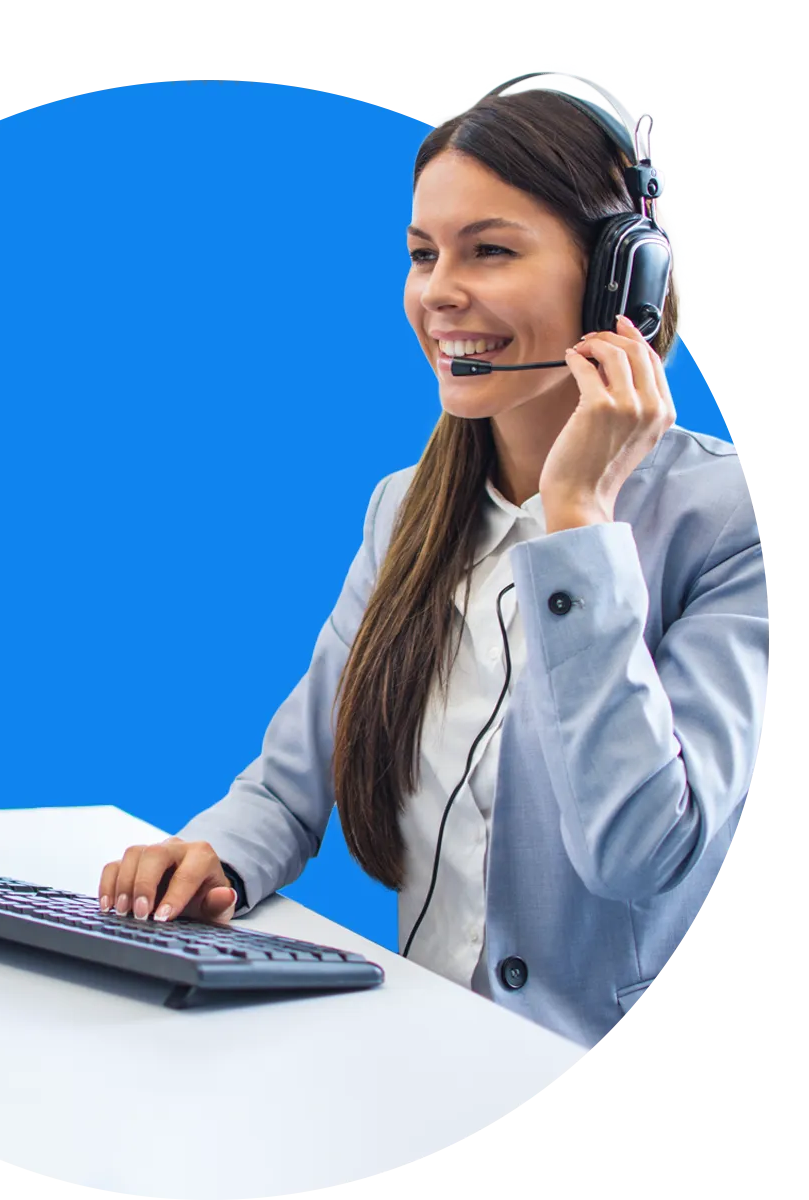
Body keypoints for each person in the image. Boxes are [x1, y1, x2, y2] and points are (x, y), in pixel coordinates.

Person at [96, 79, 768, 1050]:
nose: (437, 291)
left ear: (623, 280)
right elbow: (293, 782)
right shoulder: (407, 508)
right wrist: (216, 859)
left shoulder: (728, 525)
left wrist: (578, 524)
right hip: (422, 1057)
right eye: (422, 255)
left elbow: (643, 855)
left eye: (489, 250)